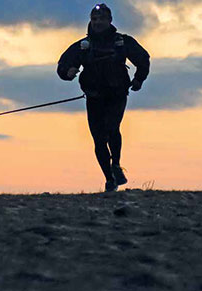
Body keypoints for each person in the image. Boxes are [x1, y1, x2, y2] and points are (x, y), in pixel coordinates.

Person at [57, 3, 150, 192]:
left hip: (117, 96)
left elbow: (143, 59)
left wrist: (139, 80)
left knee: (111, 128)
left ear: (110, 21)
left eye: (101, 19)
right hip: (94, 97)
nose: (97, 22)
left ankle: (115, 164)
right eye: (94, 19)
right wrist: (68, 72)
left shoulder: (122, 42)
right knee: (99, 140)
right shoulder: (83, 47)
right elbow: (62, 67)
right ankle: (110, 179)